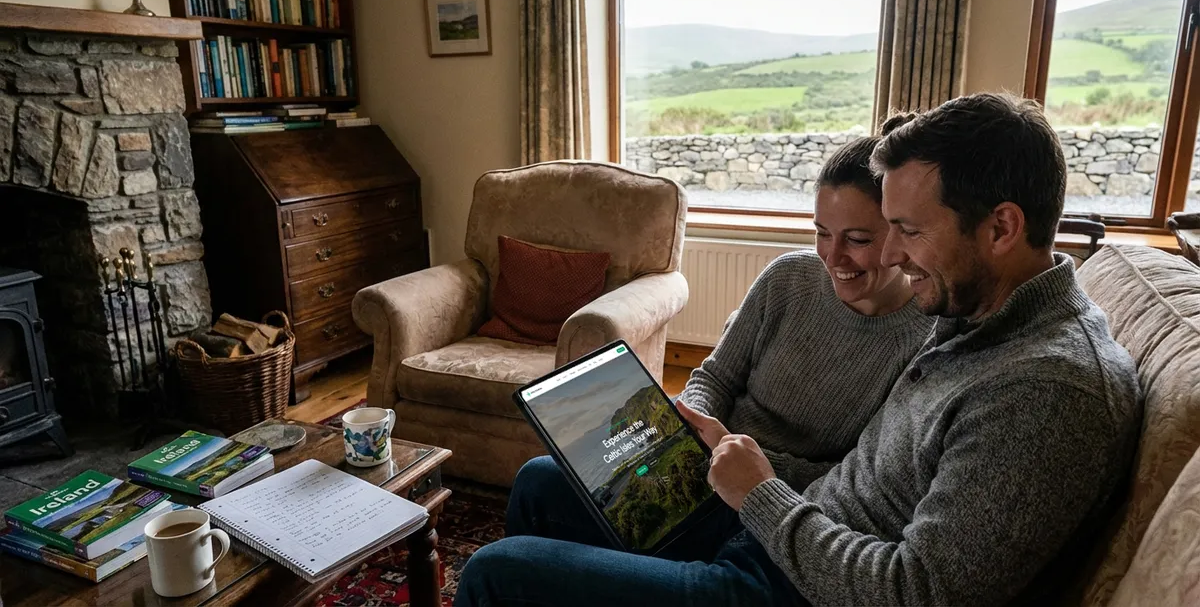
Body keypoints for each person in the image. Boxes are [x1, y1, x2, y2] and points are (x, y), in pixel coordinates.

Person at [455, 93, 1143, 607]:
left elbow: (913, 593)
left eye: (905, 230)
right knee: (545, 482)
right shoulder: (979, 319)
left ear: (1001, 227)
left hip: (785, 585)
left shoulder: (1047, 391)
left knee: (495, 571)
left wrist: (759, 496)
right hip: (785, 532)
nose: (895, 257)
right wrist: (733, 471)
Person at [454, 132, 935, 607]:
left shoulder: (924, 342)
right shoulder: (788, 278)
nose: (832, 257)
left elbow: (858, 483)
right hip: (704, 476)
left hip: (782, 508)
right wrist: (687, 425)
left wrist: (735, 455)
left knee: (497, 564)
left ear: (898, 234)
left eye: (857, 239)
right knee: (538, 479)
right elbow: (714, 376)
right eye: (821, 233)